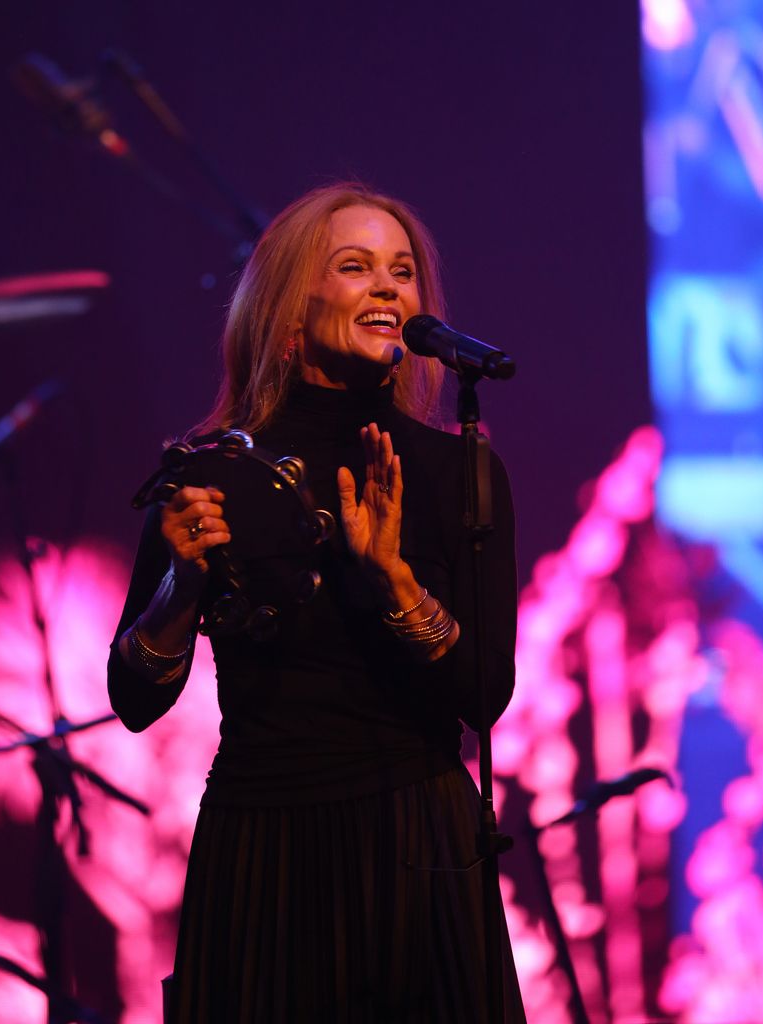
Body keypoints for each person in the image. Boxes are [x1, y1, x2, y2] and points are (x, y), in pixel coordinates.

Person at [108, 182, 523, 1022]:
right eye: (355, 266)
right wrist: (180, 585)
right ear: (291, 303)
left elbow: (485, 696)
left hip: (420, 838)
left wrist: (395, 583)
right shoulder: (208, 472)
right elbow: (134, 701)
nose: (387, 289)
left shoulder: (457, 470)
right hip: (265, 842)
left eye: (402, 273)